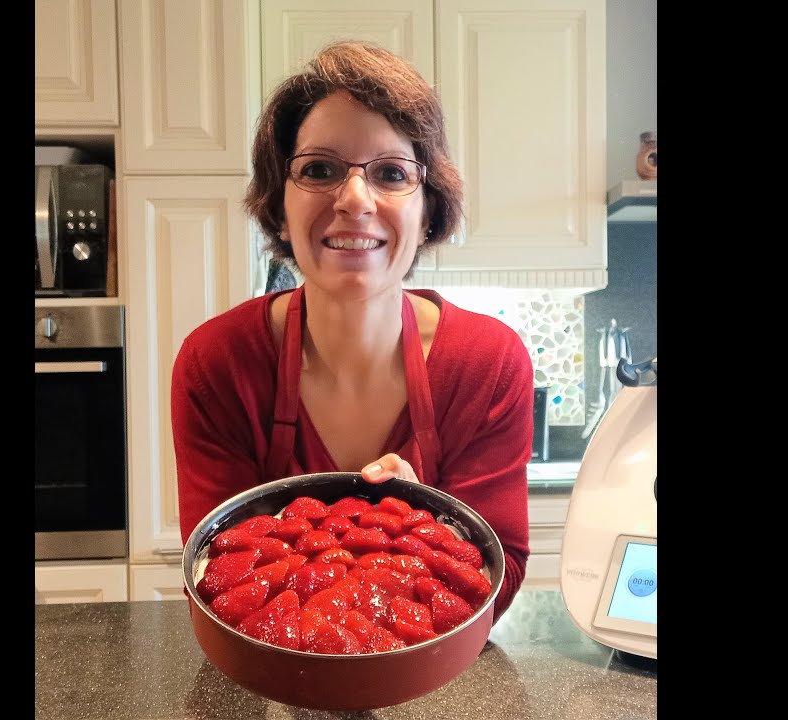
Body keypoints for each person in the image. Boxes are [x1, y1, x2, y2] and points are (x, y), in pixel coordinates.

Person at [170, 41, 533, 622]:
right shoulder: (216, 363)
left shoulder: (488, 362)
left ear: (430, 210)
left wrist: (425, 520)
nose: (354, 199)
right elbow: (214, 582)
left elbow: (501, 576)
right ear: (277, 207)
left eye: (391, 173)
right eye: (319, 169)